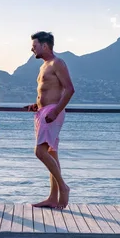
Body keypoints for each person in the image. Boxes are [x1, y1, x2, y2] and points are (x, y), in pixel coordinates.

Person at [26, 32, 75, 209]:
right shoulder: (44, 66)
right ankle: (53, 198)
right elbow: (47, 91)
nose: (32, 48)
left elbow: (69, 89)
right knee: (51, 153)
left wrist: (55, 111)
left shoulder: (57, 63)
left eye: (35, 45)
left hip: (51, 113)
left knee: (40, 152)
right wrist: (37, 105)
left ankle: (63, 187)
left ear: (45, 46)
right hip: (43, 112)